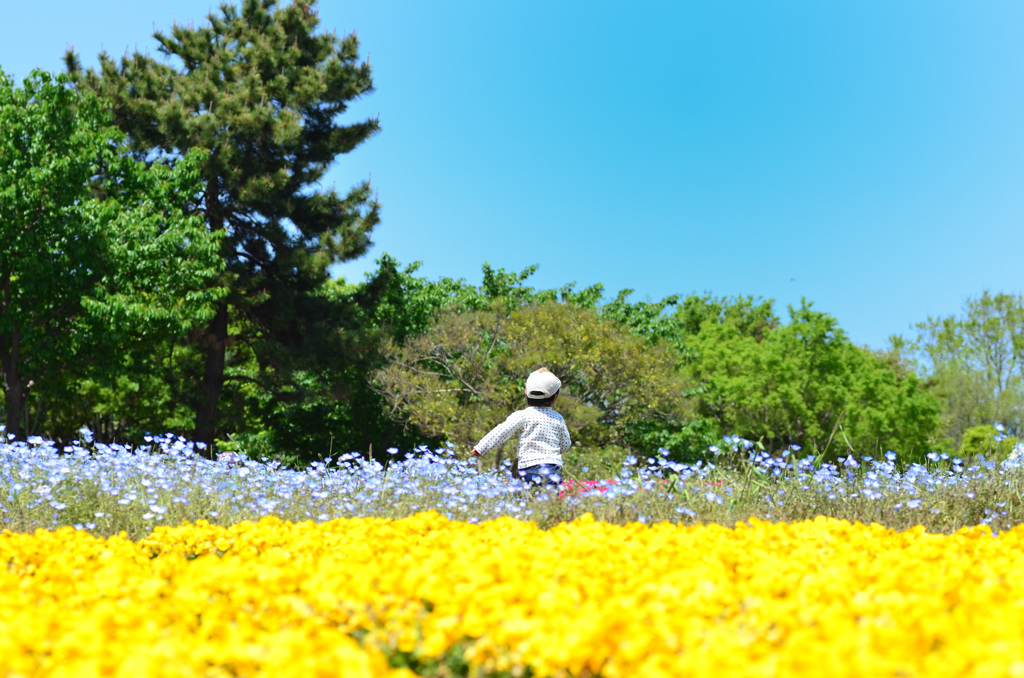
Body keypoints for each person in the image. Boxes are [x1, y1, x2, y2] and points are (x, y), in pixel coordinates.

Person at [471, 367, 571, 488]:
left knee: (529, 499)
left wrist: (481, 448)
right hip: (552, 468)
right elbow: (566, 444)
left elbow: (502, 431)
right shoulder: (558, 418)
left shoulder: (523, 415)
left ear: (525, 391)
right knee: (548, 500)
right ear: (555, 398)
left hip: (529, 467)